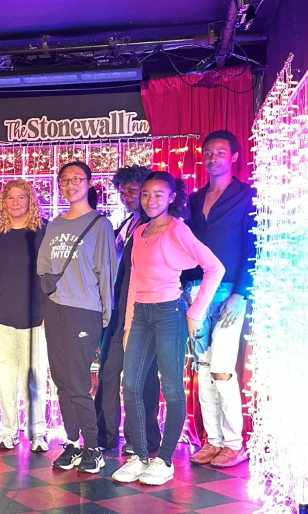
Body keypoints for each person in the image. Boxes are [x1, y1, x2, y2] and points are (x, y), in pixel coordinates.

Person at [112, 171, 224, 486]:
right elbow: (134, 278)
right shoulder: (140, 231)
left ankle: (164, 460)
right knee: (131, 386)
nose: (151, 200)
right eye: (146, 194)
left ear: (172, 197)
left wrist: (195, 311)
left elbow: (215, 268)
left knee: (172, 389)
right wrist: (127, 324)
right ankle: (140, 457)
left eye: (159, 194)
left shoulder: (178, 230)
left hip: (168, 313)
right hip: (142, 315)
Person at [36, 161, 116, 474]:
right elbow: (43, 266)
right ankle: (72, 443)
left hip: (85, 311)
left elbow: (106, 272)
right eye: (65, 180)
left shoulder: (100, 224)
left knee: (78, 383)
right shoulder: (54, 224)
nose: (71, 185)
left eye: (77, 179)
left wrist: (105, 317)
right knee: (61, 382)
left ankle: (94, 448)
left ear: (89, 182)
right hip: (55, 309)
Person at [183, 130, 255, 468]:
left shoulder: (247, 195)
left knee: (224, 369)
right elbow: (188, 247)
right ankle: (211, 441)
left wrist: (242, 292)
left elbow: (253, 246)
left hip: (229, 290)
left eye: (220, 153)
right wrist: (184, 289)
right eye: (208, 153)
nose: (213, 158)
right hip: (198, 289)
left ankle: (234, 443)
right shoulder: (195, 199)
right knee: (204, 367)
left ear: (234, 157)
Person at [95, 165, 162, 455]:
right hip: (116, 308)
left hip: (144, 310)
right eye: (122, 191)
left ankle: (143, 440)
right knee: (109, 372)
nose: (126, 196)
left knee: (143, 376)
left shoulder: (158, 227)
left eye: (133, 190)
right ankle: (103, 436)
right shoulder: (126, 224)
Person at [0, 179, 49, 452]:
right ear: (3, 201)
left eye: (22, 197)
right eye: (10, 197)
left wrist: (48, 309)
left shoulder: (42, 231)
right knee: (5, 376)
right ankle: (8, 431)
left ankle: (38, 432)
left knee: (34, 377)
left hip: (35, 316)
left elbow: (49, 274)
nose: (16, 202)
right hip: (0, 314)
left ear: (30, 200)